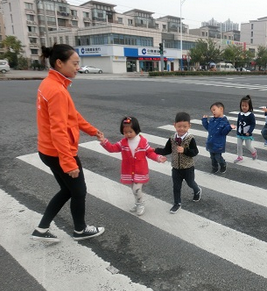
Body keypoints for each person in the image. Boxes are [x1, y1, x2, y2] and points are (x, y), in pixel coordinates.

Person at [31, 44, 105, 243]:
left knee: (68, 190)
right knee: (79, 192)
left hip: (47, 150)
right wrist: (69, 162)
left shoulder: (51, 84)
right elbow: (58, 130)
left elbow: (72, 116)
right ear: (59, 63)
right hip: (58, 152)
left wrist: (92, 130)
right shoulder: (57, 91)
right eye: (74, 63)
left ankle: (41, 229)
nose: (77, 67)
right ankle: (80, 230)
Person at [98, 116, 166, 216]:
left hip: (140, 170)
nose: (128, 134)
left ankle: (141, 204)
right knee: (133, 189)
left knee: (136, 189)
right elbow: (112, 148)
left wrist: (158, 158)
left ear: (136, 130)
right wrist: (104, 141)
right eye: (125, 132)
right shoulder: (123, 143)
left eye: (130, 132)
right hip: (129, 170)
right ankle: (138, 202)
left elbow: (149, 153)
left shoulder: (143, 142)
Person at [154, 112, 202, 214]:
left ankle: (197, 190)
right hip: (176, 168)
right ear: (174, 125)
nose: (182, 129)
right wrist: (155, 150)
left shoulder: (190, 139)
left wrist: (184, 150)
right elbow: (167, 150)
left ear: (189, 126)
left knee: (190, 183)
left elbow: (195, 152)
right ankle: (177, 203)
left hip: (188, 167)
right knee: (176, 186)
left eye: (185, 126)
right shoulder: (172, 139)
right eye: (179, 126)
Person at [202, 102, 233, 174]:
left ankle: (223, 165)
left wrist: (229, 127)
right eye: (212, 111)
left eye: (214, 110)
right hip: (211, 142)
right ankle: (214, 167)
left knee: (218, 157)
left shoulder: (224, 121)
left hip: (218, 143)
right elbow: (208, 128)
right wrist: (204, 121)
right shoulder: (212, 120)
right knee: (212, 157)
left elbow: (224, 132)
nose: (213, 112)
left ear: (221, 109)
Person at [234, 95, 257, 163]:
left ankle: (254, 152)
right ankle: (240, 156)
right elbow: (238, 122)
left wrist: (249, 132)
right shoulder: (240, 114)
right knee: (239, 145)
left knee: (248, 146)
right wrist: (237, 131)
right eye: (242, 106)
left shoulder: (250, 115)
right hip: (240, 133)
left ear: (249, 106)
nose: (244, 107)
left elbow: (253, 124)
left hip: (247, 134)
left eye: (246, 106)